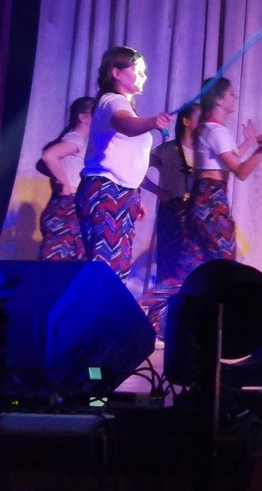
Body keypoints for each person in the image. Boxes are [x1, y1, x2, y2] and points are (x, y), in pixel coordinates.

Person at [77, 46, 172, 281]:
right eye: (137, 71)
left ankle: (105, 305)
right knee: (107, 267)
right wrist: (152, 122)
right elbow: (125, 124)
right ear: (116, 73)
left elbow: (125, 160)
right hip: (106, 193)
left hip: (120, 194)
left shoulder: (123, 105)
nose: (143, 76)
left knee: (117, 266)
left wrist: (137, 195)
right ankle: (99, 306)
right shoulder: (112, 101)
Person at [190, 77, 262, 262]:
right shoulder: (216, 131)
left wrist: (249, 142)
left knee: (205, 263)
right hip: (211, 200)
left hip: (203, 197)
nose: (235, 98)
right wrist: (261, 151)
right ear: (218, 99)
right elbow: (241, 172)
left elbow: (226, 160)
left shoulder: (208, 128)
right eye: (231, 94)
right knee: (223, 261)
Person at [139, 103, 200, 336]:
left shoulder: (205, 150)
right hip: (173, 210)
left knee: (192, 270)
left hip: (196, 213)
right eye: (200, 117)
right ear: (186, 121)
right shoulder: (168, 150)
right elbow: (138, 168)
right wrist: (157, 190)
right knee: (168, 267)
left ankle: (182, 325)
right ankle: (154, 324)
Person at [36, 96, 95, 260]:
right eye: (96, 115)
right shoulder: (76, 139)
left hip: (73, 205)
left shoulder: (80, 141)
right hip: (67, 206)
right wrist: (65, 183)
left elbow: (41, 165)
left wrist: (61, 176)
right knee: (58, 258)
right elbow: (48, 156)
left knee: (73, 258)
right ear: (83, 117)